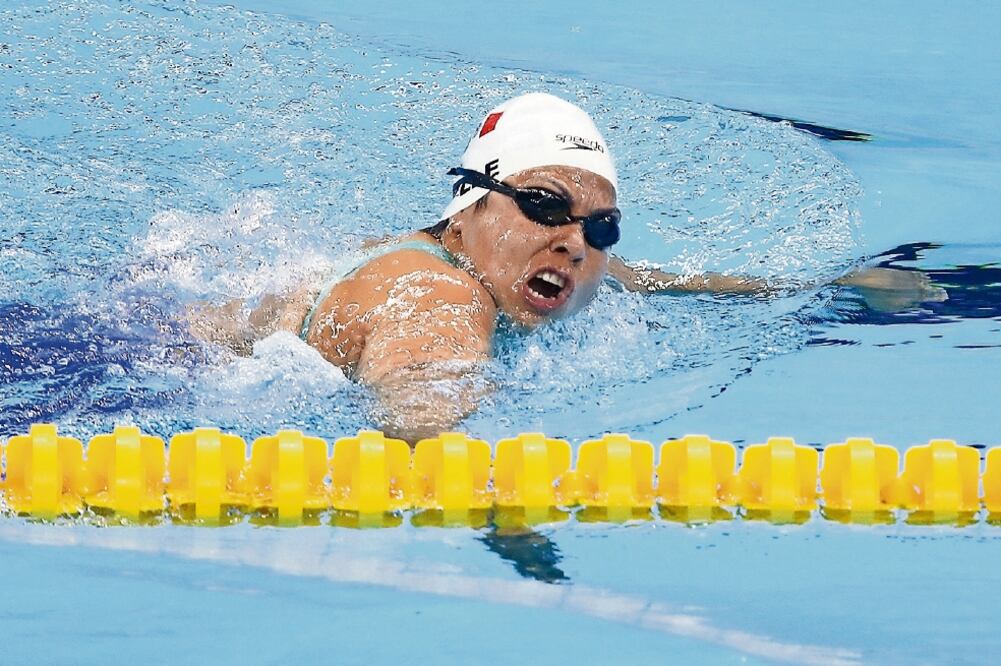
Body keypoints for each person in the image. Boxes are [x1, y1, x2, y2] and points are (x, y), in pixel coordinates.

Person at [189, 92, 943, 441]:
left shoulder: (504, 259)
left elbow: (649, 281)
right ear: (469, 207)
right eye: (546, 206)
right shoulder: (441, 294)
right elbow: (421, 396)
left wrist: (826, 287)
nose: (576, 245)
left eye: (600, 226)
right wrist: (468, 483)